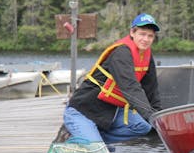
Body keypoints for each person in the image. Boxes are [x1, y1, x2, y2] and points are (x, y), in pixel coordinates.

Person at [62, 13, 162, 143]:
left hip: (109, 113)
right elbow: (130, 87)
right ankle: (76, 141)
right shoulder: (121, 53)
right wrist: (150, 116)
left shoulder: (146, 56)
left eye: (150, 36)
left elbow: (152, 90)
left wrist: (160, 119)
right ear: (132, 32)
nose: (146, 39)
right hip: (82, 111)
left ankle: (95, 141)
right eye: (142, 34)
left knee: (143, 127)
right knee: (96, 149)